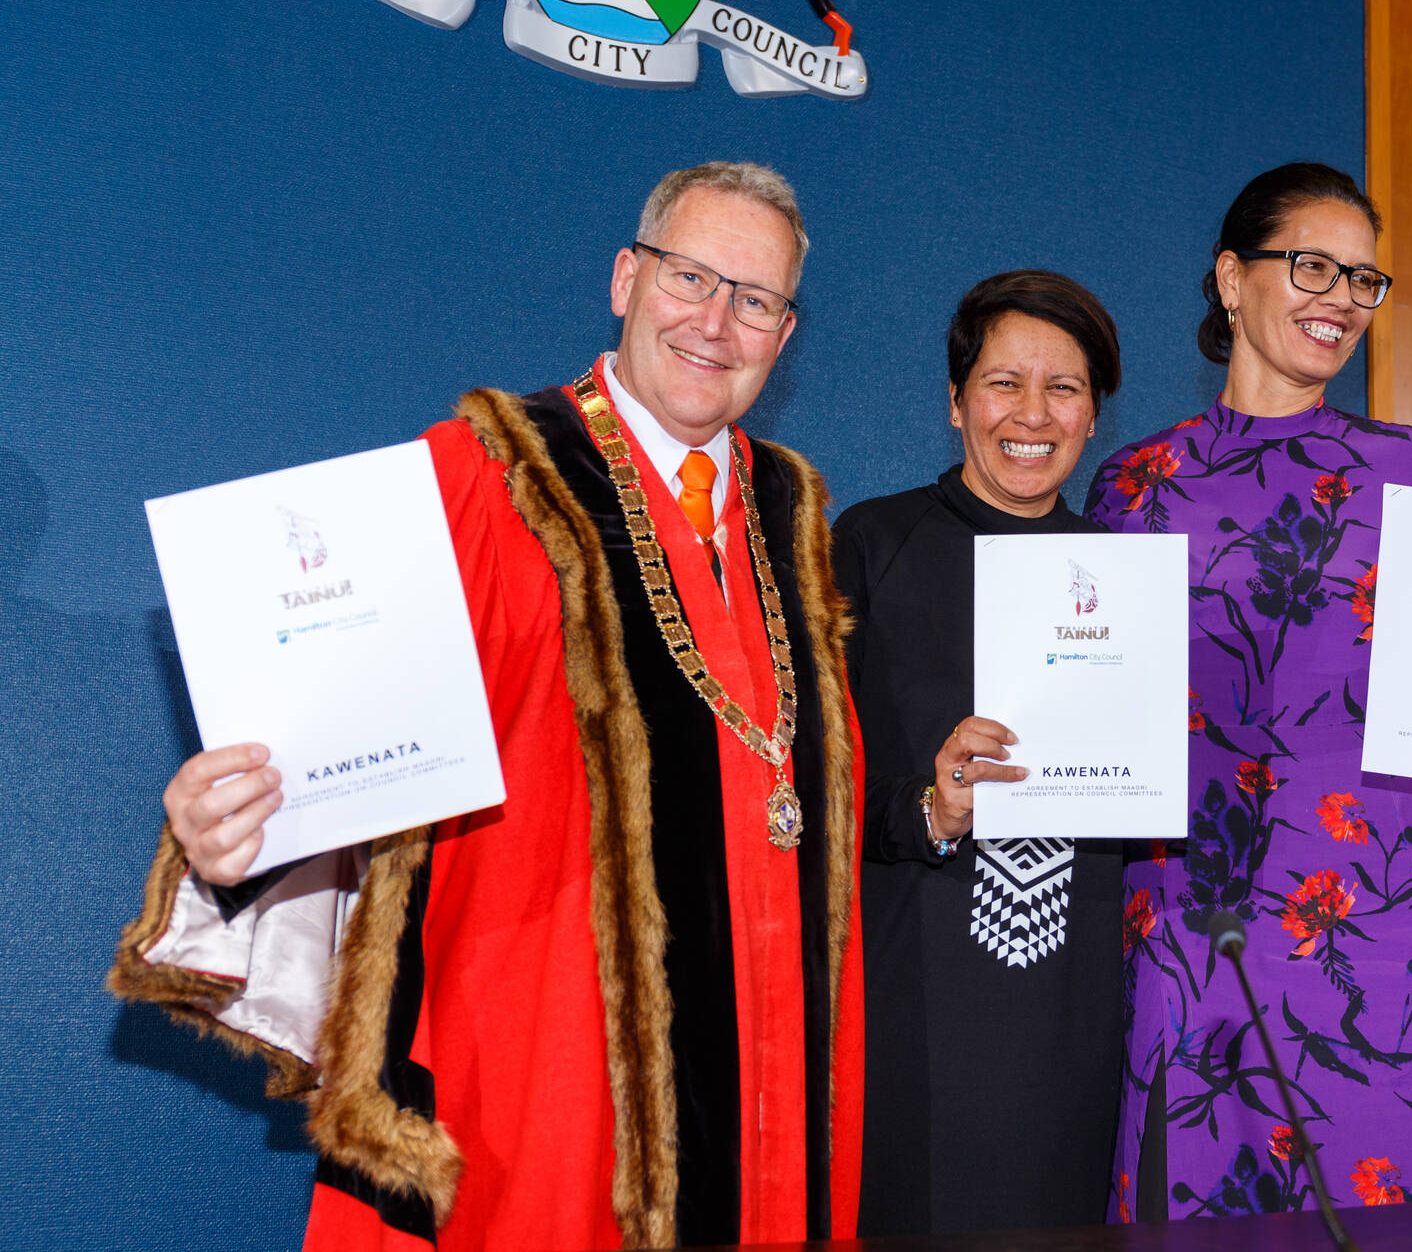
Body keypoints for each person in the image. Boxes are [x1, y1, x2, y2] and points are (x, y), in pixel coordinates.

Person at [109, 163, 864, 1250]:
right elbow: (328, 725)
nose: (716, 321)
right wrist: (234, 828)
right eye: (690, 276)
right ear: (625, 278)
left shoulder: (789, 512)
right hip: (538, 1054)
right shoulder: (481, 472)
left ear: (784, 336)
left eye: (755, 300)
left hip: (773, 1058)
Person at [1084, 163, 1412, 1219]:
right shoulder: (1135, 483)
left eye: (1363, 280)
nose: (1340, 300)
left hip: (1395, 926)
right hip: (1198, 922)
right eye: (1312, 266)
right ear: (1231, 279)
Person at [832, 270, 1125, 1235]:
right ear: (955, 403)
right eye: (1004, 383)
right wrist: (932, 808)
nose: (1032, 413)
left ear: (1093, 416)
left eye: (1065, 388)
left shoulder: (1124, 578)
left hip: (1071, 1000)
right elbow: (816, 788)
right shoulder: (872, 543)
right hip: (915, 991)